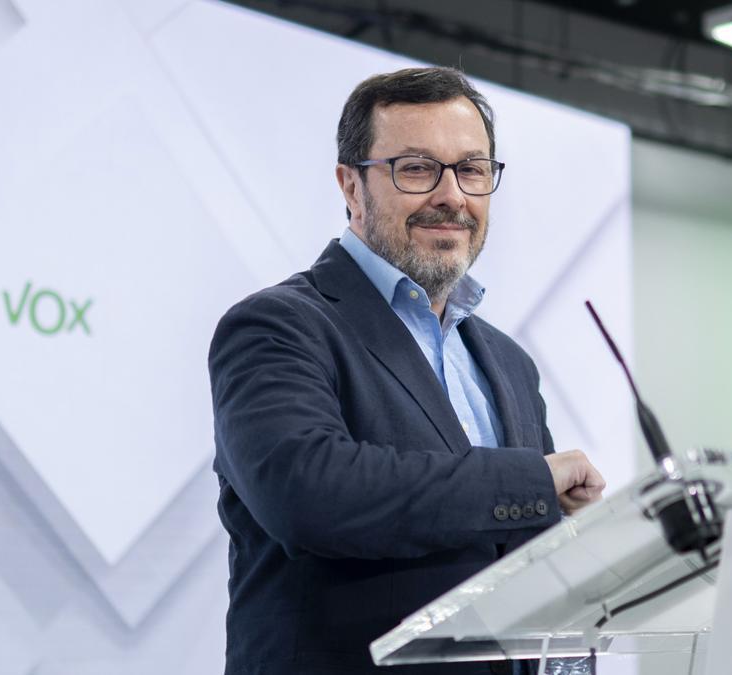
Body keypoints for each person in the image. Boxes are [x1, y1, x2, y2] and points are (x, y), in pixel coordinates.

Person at [208, 67, 606, 675]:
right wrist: (531, 485)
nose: (452, 196)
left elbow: (528, 565)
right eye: (417, 168)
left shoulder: (508, 363)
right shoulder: (277, 326)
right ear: (350, 185)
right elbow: (309, 493)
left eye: (472, 170)